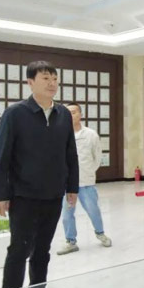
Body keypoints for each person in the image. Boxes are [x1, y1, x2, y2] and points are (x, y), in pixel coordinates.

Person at [0, 61, 79, 288]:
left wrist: (72, 186)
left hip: (53, 195)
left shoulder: (63, 114)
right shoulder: (15, 114)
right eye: (45, 78)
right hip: (24, 196)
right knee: (19, 252)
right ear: (30, 82)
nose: (52, 83)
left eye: (55, 78)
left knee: (42, 251)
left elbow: (70, 153)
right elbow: (1, 154)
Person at [57, 102, 112, 255]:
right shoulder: (60, 134)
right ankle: (71, 241)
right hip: (67, 184)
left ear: (81, 114)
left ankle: (100, 233)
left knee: (93, 210)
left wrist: (88, 172)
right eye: (68, 112)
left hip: (86, 181)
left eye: (74, 112)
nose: (71, 115)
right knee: (67, 214)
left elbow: (97, 157)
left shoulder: (90, 134)